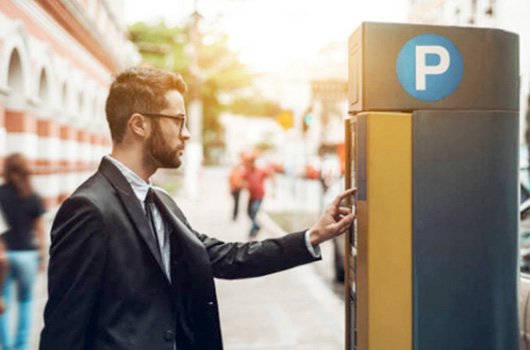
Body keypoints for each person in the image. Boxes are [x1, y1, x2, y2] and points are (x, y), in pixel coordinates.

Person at [39, 67, 355, 350]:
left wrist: (312, 237)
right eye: (178, 121)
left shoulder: (161, 202)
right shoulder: (88, 209)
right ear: (139, 124)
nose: (187, 134)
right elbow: (63, 331)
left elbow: (228, 259)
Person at [0, 153, 46, 350]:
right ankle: (21, 347)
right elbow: (40, 230)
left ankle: (7, 346)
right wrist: (42, 255)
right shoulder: (33, 196)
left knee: (4, 301)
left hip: (4, 256)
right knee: (26, 302)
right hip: (27, 255)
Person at [242, 154, 273, 237]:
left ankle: (251, 233)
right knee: (249, 213)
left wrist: (274, 190)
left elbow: (271, 175)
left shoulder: (260, 171)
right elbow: (240, 180)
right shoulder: (247, 172)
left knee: (254, 212)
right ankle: (257, 226)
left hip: (259, 196)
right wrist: (245, 185)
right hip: (251, 196)